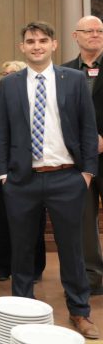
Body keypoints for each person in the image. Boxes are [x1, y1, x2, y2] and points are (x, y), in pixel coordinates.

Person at [0, 21, 99, 339]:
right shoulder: (11, 84)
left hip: (67, 177)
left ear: (54, 44)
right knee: (23, 251)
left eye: (43, 40)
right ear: (21, 47)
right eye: (30, 41)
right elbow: (1, 132)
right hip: (22, 181)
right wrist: (3, 176)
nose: (37, 45)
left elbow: (87, 128)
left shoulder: (75, 80)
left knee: (72, 250)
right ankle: (23, 313)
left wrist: (86, 173)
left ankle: (79, 312)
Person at [0, 61, 47, 282]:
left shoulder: (35, 99)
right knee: (2, 220)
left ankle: (35, 267)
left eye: (13, 74)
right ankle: (2, 266)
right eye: (4, 74)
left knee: (35, 221)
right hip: (4, 169)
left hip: (34, 170)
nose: (8, 78)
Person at [62, 15, 103, 296]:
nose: (95, 34)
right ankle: (92, 276)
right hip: (79, 162)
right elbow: (61, 116)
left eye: (99, 30)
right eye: (88, 30)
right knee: (84, 222)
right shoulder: (63, 72)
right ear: (75, 36)